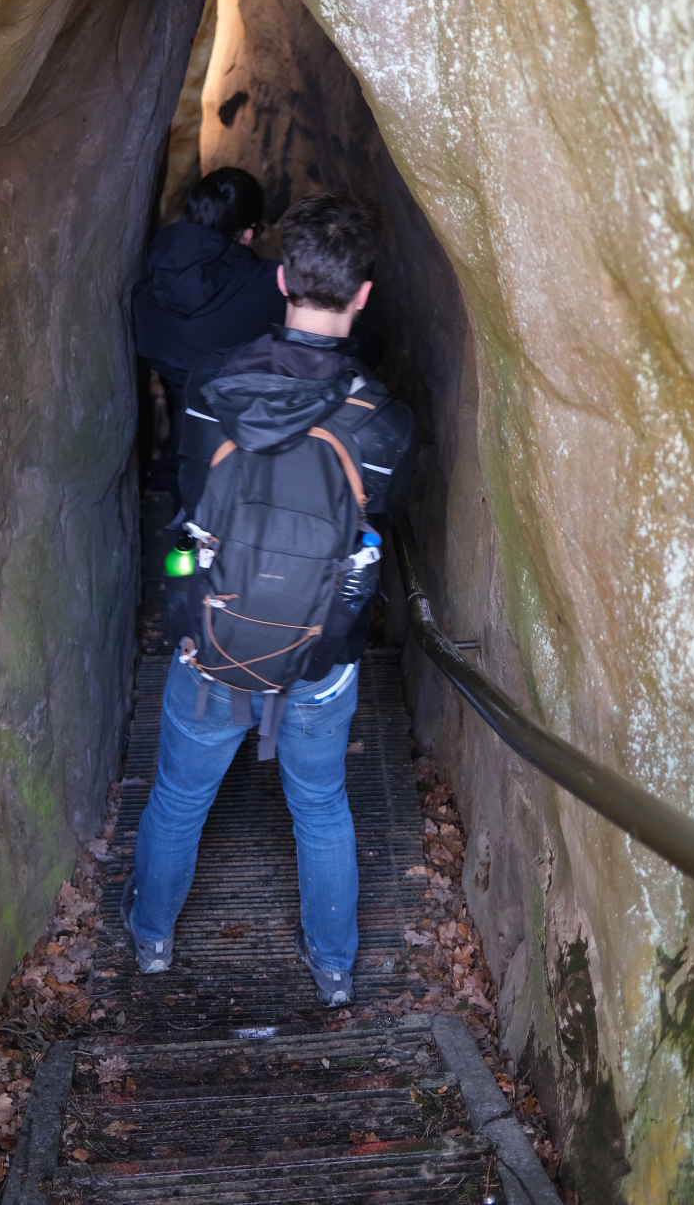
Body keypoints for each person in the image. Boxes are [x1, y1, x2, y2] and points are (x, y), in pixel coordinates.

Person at [121, 193, 415, 1007]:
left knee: (179, 797)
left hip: (211, 645)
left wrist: (185, 609)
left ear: (282, 279)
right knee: (321, 806)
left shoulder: (211, 387)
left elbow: (189, 508)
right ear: (362, 294)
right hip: (319, 659)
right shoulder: (383, 424)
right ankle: (333, 965)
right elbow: (373, 530)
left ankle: (151, 937)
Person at [132, 167, 285, 423]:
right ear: (248, 233)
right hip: (255, 437)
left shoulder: (144, 297)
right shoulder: (275, 288)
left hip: (186, 438)